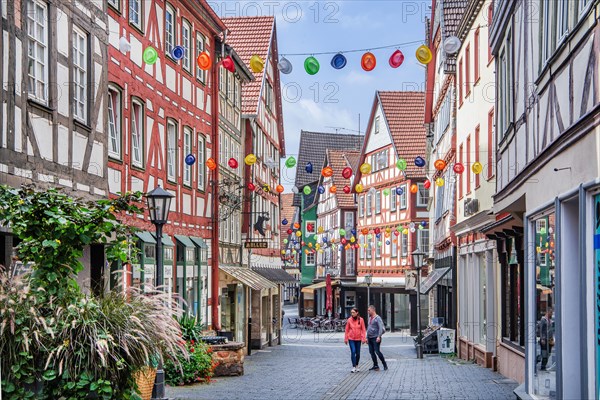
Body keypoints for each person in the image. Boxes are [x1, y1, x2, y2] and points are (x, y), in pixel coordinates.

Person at [344, 307, 366, 373]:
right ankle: (353, 366)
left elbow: (363, 329)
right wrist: (346, 338)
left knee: (358, 353)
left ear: (357, 313)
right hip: (351, 338)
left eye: (353, 312)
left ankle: (357, 365)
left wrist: (363, 338)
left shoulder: (361, 320)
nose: (352, 314)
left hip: (358, 339)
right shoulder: (349, 320)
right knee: (353, 351)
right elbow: (347, 329)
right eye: (351, 312)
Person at [367, 305, 388, 371]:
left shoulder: (378, 318)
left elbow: (381, 328)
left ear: (373, 310)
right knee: (371, 352)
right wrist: (366, 337)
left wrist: (379, 336)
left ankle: (384, 364)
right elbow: (368, 328)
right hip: (369, 337)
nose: (368, 312)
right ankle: (375, 365)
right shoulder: (370, 318)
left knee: (377, 351)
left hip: (375, 338)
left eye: (369, 310)